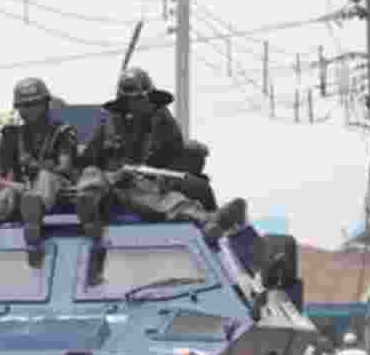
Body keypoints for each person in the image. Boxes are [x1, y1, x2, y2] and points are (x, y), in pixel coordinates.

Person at [75, 67, 247, 242]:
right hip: (109, 181)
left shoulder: (162, 119)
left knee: (161, 196)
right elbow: (86, 160)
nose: (137, 104)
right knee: (92, 178)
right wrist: (114, 173)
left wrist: (163, 177)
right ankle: (88, 213)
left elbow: (174, 152)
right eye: (131, 100)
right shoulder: (108, 121)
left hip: (141, 182)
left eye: (141, 99)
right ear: (122, 100)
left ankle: (208, 219)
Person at [0, 77, 79, 256]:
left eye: (34, 104)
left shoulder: (61, 133)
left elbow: (65, 169)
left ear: (45, 104)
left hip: (58, 192)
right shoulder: (12, 137)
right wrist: (15, 186)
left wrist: (37, 167)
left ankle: (33, 216)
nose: (29, 110)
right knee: (8, 193)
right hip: (22, 194)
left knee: (46, 178)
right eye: (24, 106)